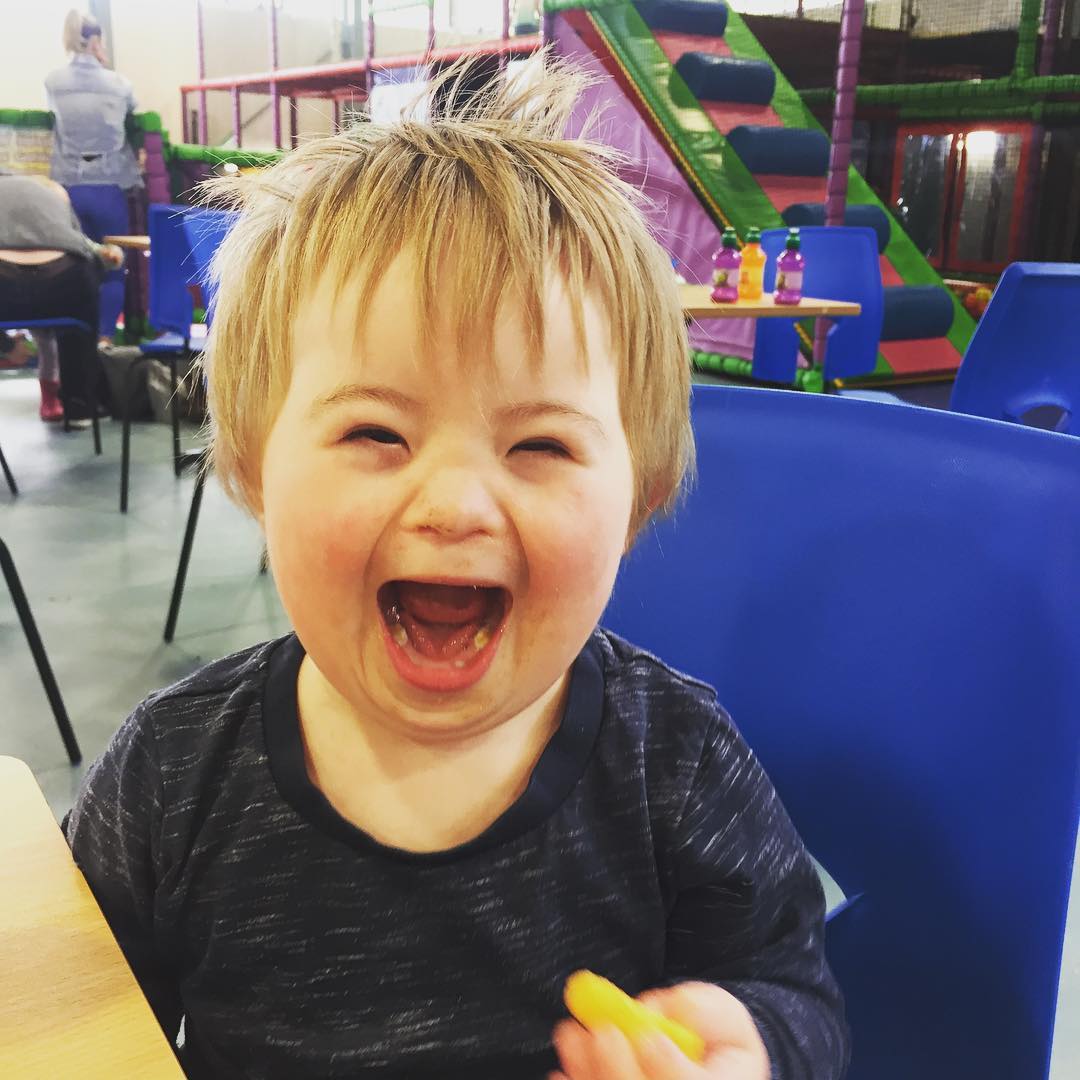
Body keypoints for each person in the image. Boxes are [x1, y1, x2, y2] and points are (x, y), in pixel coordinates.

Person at [63, 59, 849, 1080]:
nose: (456, 505)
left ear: (639, 502)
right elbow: (72, 1026)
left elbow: (795, 995)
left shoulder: (679, 768)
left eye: (540, 446)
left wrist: (751, 1048)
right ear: (253, 466)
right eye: (376, 433)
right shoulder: (171, 777)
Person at [45, 9, 142, 343]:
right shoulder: (119, 84)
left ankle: (77, 342)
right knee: (114, 264)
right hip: (109, 186)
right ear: (97, 40)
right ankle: (105, 339)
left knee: (74, 264)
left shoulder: (53, 82)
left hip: (69, 187)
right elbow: (133, 113)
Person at [0, 172, 121, 421]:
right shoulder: (50, 191)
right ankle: (81, 404)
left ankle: (10, 348)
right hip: (66, 282)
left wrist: (7, 346)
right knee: (80, 321)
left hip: (6, 288)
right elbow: (84, 248)